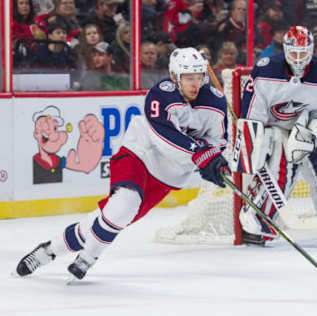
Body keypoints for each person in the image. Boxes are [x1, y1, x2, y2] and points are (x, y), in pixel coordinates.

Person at [15, 47, 230, 280]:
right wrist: (200, 155)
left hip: (169, 175)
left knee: (109, 219)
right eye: (189, 78)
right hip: (140, 153)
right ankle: (88, 258)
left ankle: (48, 250)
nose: (195, 84)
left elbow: (217, 141)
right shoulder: (162, 94)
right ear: (175, 77)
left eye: (199, 77)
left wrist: (215, 160)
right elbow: (164, 136)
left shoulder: (215, 102)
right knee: (123, 205)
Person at [237, 26, 317, 246]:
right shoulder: (266, 70)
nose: (298, 58)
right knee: (276, 169)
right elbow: (252, 108)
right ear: (284, 50)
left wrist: (312, 131)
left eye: (303, 53)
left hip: (308, 126)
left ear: (311, 50)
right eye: (293, 53)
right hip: (276, 128)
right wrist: (255, 139)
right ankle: (259, 224)